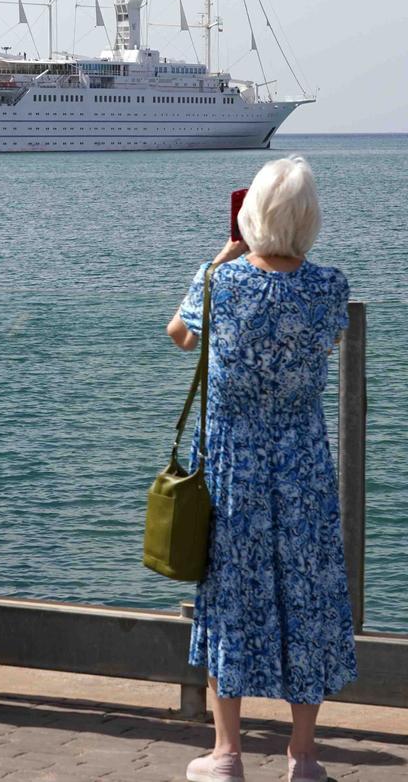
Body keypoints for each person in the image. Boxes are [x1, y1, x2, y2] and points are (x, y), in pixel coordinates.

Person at [166, 157, 356, 782]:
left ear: (251, 217)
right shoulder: (329, 287)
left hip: (233, 465)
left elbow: (179, 336)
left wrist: (222, 258)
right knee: (308, 601)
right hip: (301, 463)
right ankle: (303, 756)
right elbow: (323, 341)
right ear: (308, 220)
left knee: (230, 602)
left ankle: (227, 754)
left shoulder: (219, 283)